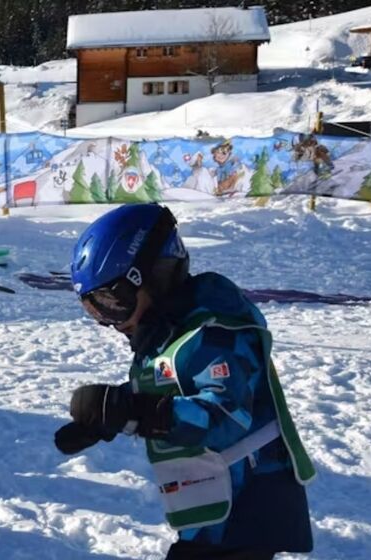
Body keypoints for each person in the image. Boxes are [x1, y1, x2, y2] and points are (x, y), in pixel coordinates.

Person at [55, 203, 315, 560]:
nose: (111, 321)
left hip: (251, 508)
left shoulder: (216, 330)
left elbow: (225, 416)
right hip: (217, 510)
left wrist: (133, 411)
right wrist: (105, 420)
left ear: (152, 276)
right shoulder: (164, 336)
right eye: (95, 309)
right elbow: (160, 387)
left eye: (112, 303)